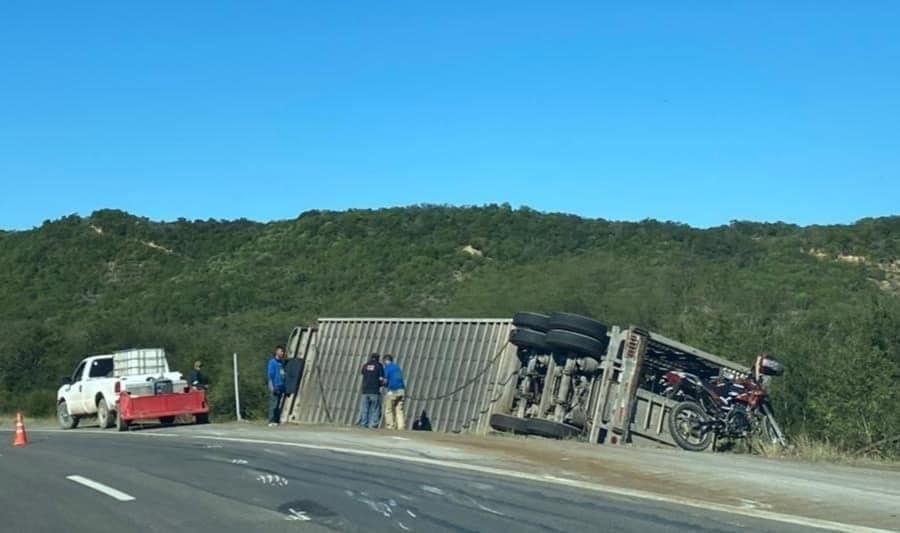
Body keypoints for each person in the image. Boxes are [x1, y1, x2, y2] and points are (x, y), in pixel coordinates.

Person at [358, 353, 384, 428]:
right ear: (378, 358)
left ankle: (364, 423)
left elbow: (363, 373)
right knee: (375, 408)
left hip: (365, 390)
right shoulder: (379, 365)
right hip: (374, 390)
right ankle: (373, 424)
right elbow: (381, 378)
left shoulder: (366, 365)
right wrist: (381, 384)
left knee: (365, 408)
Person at [382, 354, 406, 430]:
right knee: (399, 410)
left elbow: (385, 380)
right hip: (402, 390)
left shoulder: (387, 368)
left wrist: (382, 383)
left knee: (388, 409)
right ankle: (401, 427)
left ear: (386, 360)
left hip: (393, 390)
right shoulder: (397, 367)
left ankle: (390, 426)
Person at [267, 345, 287, 427]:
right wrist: (272, 387)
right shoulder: (272, 362)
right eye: (281, 351)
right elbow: (270, 375)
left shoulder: (281, 363)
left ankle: (276, 420)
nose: (282, 353)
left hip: (281, 386)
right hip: (275, 385)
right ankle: (271, 420)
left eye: (283, 351)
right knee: (274, 404)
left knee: (278, 404)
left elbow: (283, 373)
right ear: (276, 352)